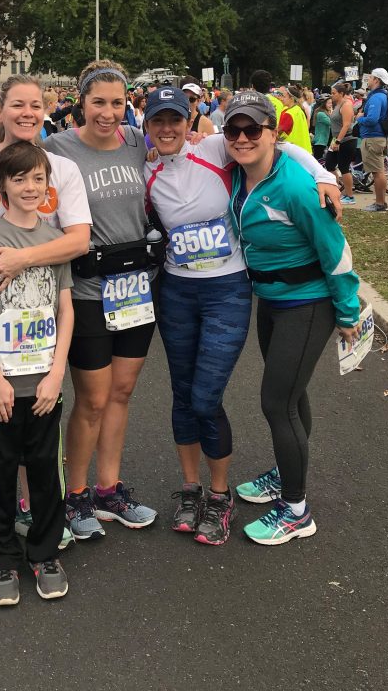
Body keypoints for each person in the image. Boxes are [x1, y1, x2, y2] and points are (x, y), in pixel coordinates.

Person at [144, 86, 340, 545]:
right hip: (176, 291)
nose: (169, 129)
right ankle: (191, 489)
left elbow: (281, 144)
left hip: (227, 290)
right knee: (181, 393)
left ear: (190, 120)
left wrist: (324, 173)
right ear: (147, 125)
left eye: (177, 119)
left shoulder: (215, 146)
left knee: (206, 397)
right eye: (159, 121)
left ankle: (219, 494)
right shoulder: (144, 163)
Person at [0, 74, 91, 557]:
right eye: (17, 104)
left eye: (36, 104)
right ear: (1, 106)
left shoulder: (61, 168)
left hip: (42, 310)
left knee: (37, 426)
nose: (27, 113)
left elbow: (77, 239)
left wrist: (20, 260)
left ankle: (37, 517)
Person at [223, 92, 360, 544]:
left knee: (276, 402)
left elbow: (335, 249)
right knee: (292, 395)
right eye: (233, 130)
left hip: (309, 302)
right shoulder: (237, 178)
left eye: (252, 130)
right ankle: (285, 473)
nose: (242, 139)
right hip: (272, 302)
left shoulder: (297, 186)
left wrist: (347, 310)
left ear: (272, 133)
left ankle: (297, 510)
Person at [43, 60, 160, 540]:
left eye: (117, 103)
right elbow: (7, 169)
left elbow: (202, 142)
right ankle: (75, 494)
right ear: (81, 104)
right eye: (98, 103)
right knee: (91, 398)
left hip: (136, 289)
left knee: (121, 392)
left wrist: (319, 171)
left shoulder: (137, 141)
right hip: (88, 289)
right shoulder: (57, 148)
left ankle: (109, 490)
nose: (108, 113)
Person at [0, 142, 74, 605]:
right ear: (2, 185)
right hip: (2, 385)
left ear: (48, 184)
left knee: (49, 471)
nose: (30, 187)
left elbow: (66, 311)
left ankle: (45, 553)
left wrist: (56, 375)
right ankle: (3, 560)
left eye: (38, 178)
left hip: (44, 382)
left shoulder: (55, 238)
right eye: (20, 179)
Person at [355, 68, 388, 213]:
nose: (368, 80)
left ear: (376, 80)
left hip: (373, 138)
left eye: (370, 77)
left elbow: (371, 119)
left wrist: (359, 118)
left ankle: (379, 203)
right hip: (378, 137)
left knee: (377, 172)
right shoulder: (383, 95)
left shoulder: (376, 98)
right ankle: (381, 202)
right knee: (379, 171)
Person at [324, 83, 358, 204]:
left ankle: (350, 196)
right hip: (336, 139)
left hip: (346, 140)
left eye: (334, 93)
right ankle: (337, 189)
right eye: (331, 93)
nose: (331, 95)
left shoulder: (346, 104)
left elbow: (347, 124)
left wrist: (338, 141)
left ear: (341, 94)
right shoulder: (336, 104)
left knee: (344, 167)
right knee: (329, 164)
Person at [276, 85, 312, 151]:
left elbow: (277, 134)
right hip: (304, 150)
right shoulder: (298, 109)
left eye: (284, 97)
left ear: (291, 98)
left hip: (295, 153)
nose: (281, 98)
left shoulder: (289, 114)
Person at [311, 95, 332, 162]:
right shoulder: (321, 114)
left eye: (331, 103)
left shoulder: (325, 113)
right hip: (320, 142)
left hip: (323, 142)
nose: (331, 105)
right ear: (324, 104)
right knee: (318, 162)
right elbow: (331, 123)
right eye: (329, 103)